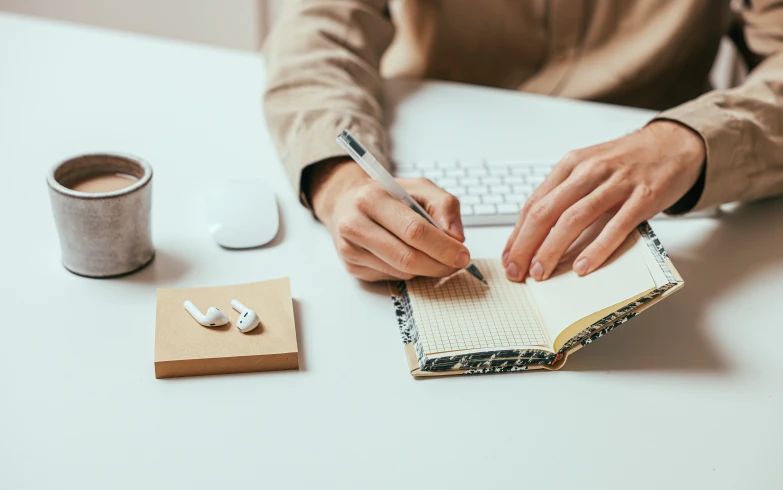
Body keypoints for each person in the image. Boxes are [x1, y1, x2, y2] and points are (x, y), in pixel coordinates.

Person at [263, 0, 783, 283]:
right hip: (417, 153)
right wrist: (338, 180)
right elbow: (316, 29)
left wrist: (687, 140)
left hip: (678, 193)